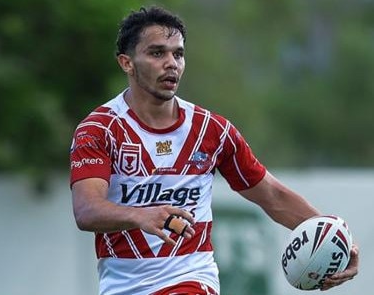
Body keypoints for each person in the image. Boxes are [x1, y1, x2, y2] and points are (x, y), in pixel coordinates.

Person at [69, 6, 359, 295]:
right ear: (127, 63)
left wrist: (335, 240)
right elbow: (86, 210)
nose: (171, 63)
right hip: (122, 286)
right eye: (157, 53)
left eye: (178, 54)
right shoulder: (99, 129)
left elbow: (272, 196)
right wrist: (139, 215)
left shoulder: (212, 130)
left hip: (192, 279)